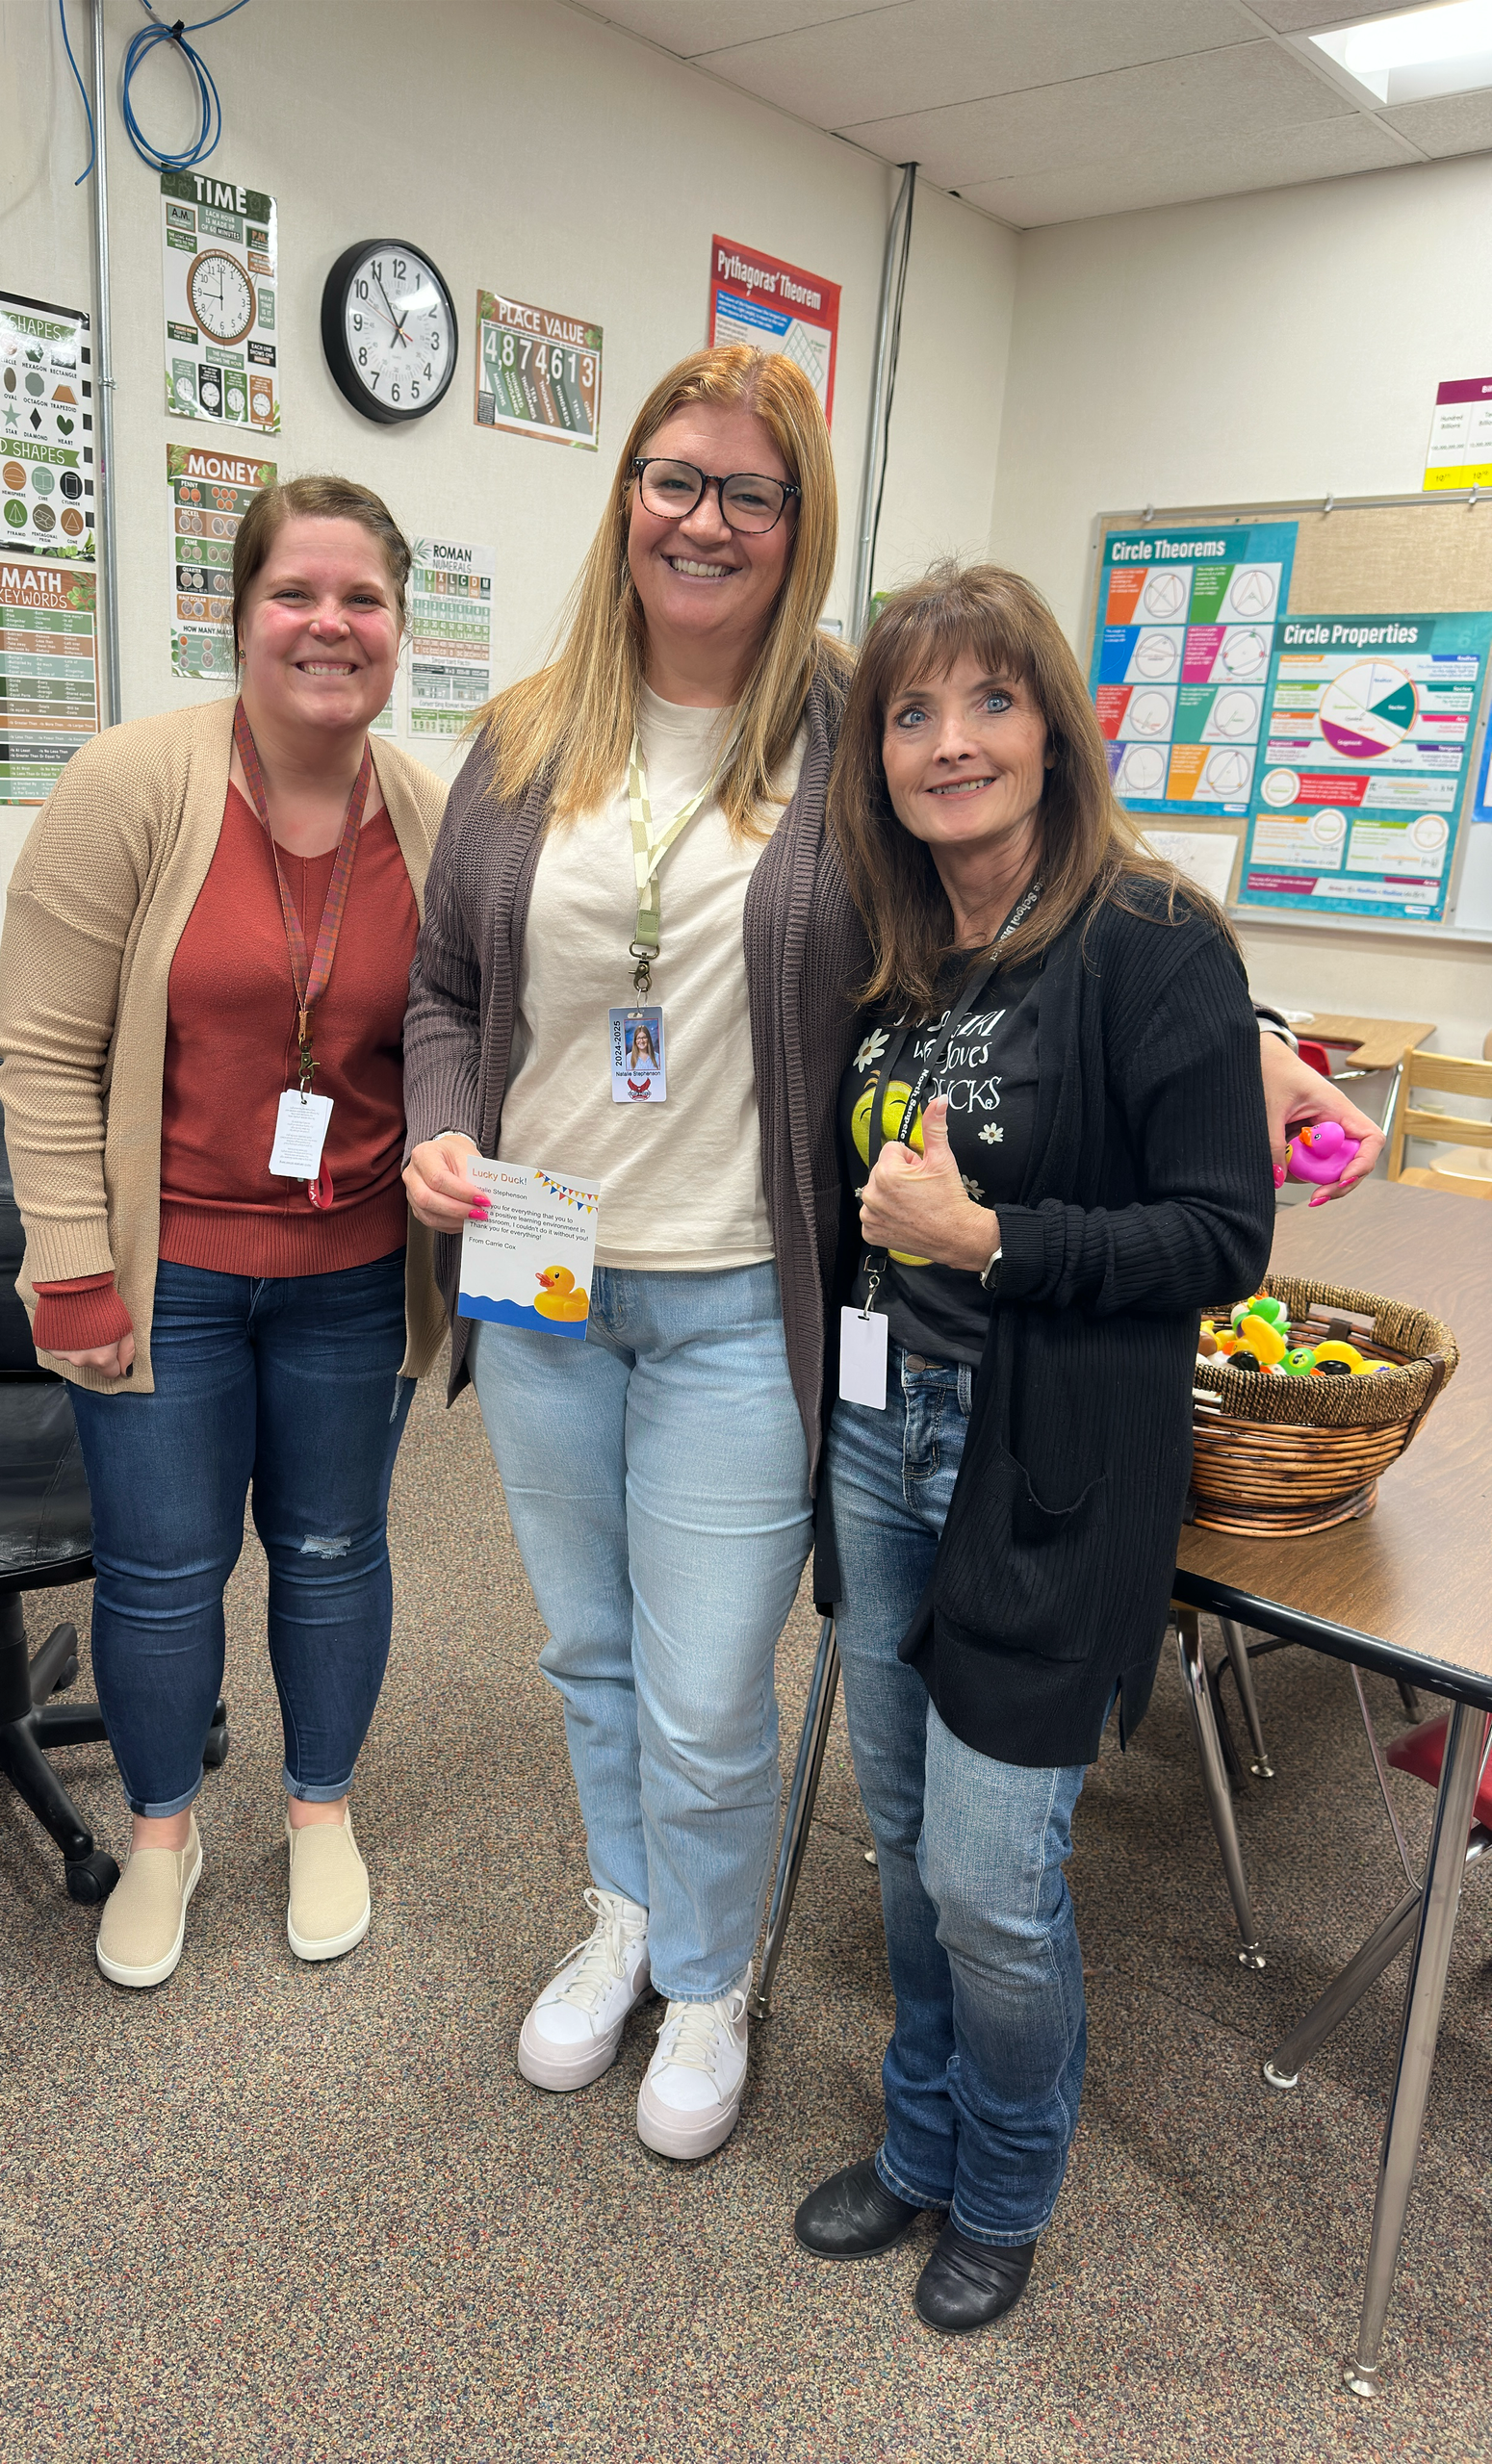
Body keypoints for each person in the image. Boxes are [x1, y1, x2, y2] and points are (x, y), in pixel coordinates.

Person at [791, 561, 1275, 2331]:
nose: (951, 742)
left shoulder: (1153, 940)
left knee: (995, 1877)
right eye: (913, 712)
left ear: (1054, 728)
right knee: (908, 1834)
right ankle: (921, 2142)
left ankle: (1003, 2179)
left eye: (990, 701)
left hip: (1048, 1463)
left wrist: (996, 1241)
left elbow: (1223, 1242)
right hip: (881, 1440)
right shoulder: (898, 958)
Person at [402, 345, 867, 2160]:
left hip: (744, 1288)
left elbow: (1027, 867)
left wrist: (1224, 1017)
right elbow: (450, 990)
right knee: (591, 1652)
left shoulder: (849, 733)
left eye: (752, 492)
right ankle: (627, 1918)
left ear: (797, 525)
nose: (707, 518)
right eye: (677, 478)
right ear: (626, 498)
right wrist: (446, 1119)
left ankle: (710, 1973)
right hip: (541, 1265)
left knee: (703, 1682)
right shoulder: (525, 738)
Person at [0, 475, 449, 1989]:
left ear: (401, 625)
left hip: (355, 1278)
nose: (330, 624)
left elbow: (464, 1049)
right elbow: (46, 1051)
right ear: (237, 617)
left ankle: (321, 1809)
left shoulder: (437, 822)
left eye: (362, 599)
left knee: (331, 1551)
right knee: (163, 1568)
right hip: (165, 1271)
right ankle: (163, 1834)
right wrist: (70, 1268)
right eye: (295, 595)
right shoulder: (134, 783)